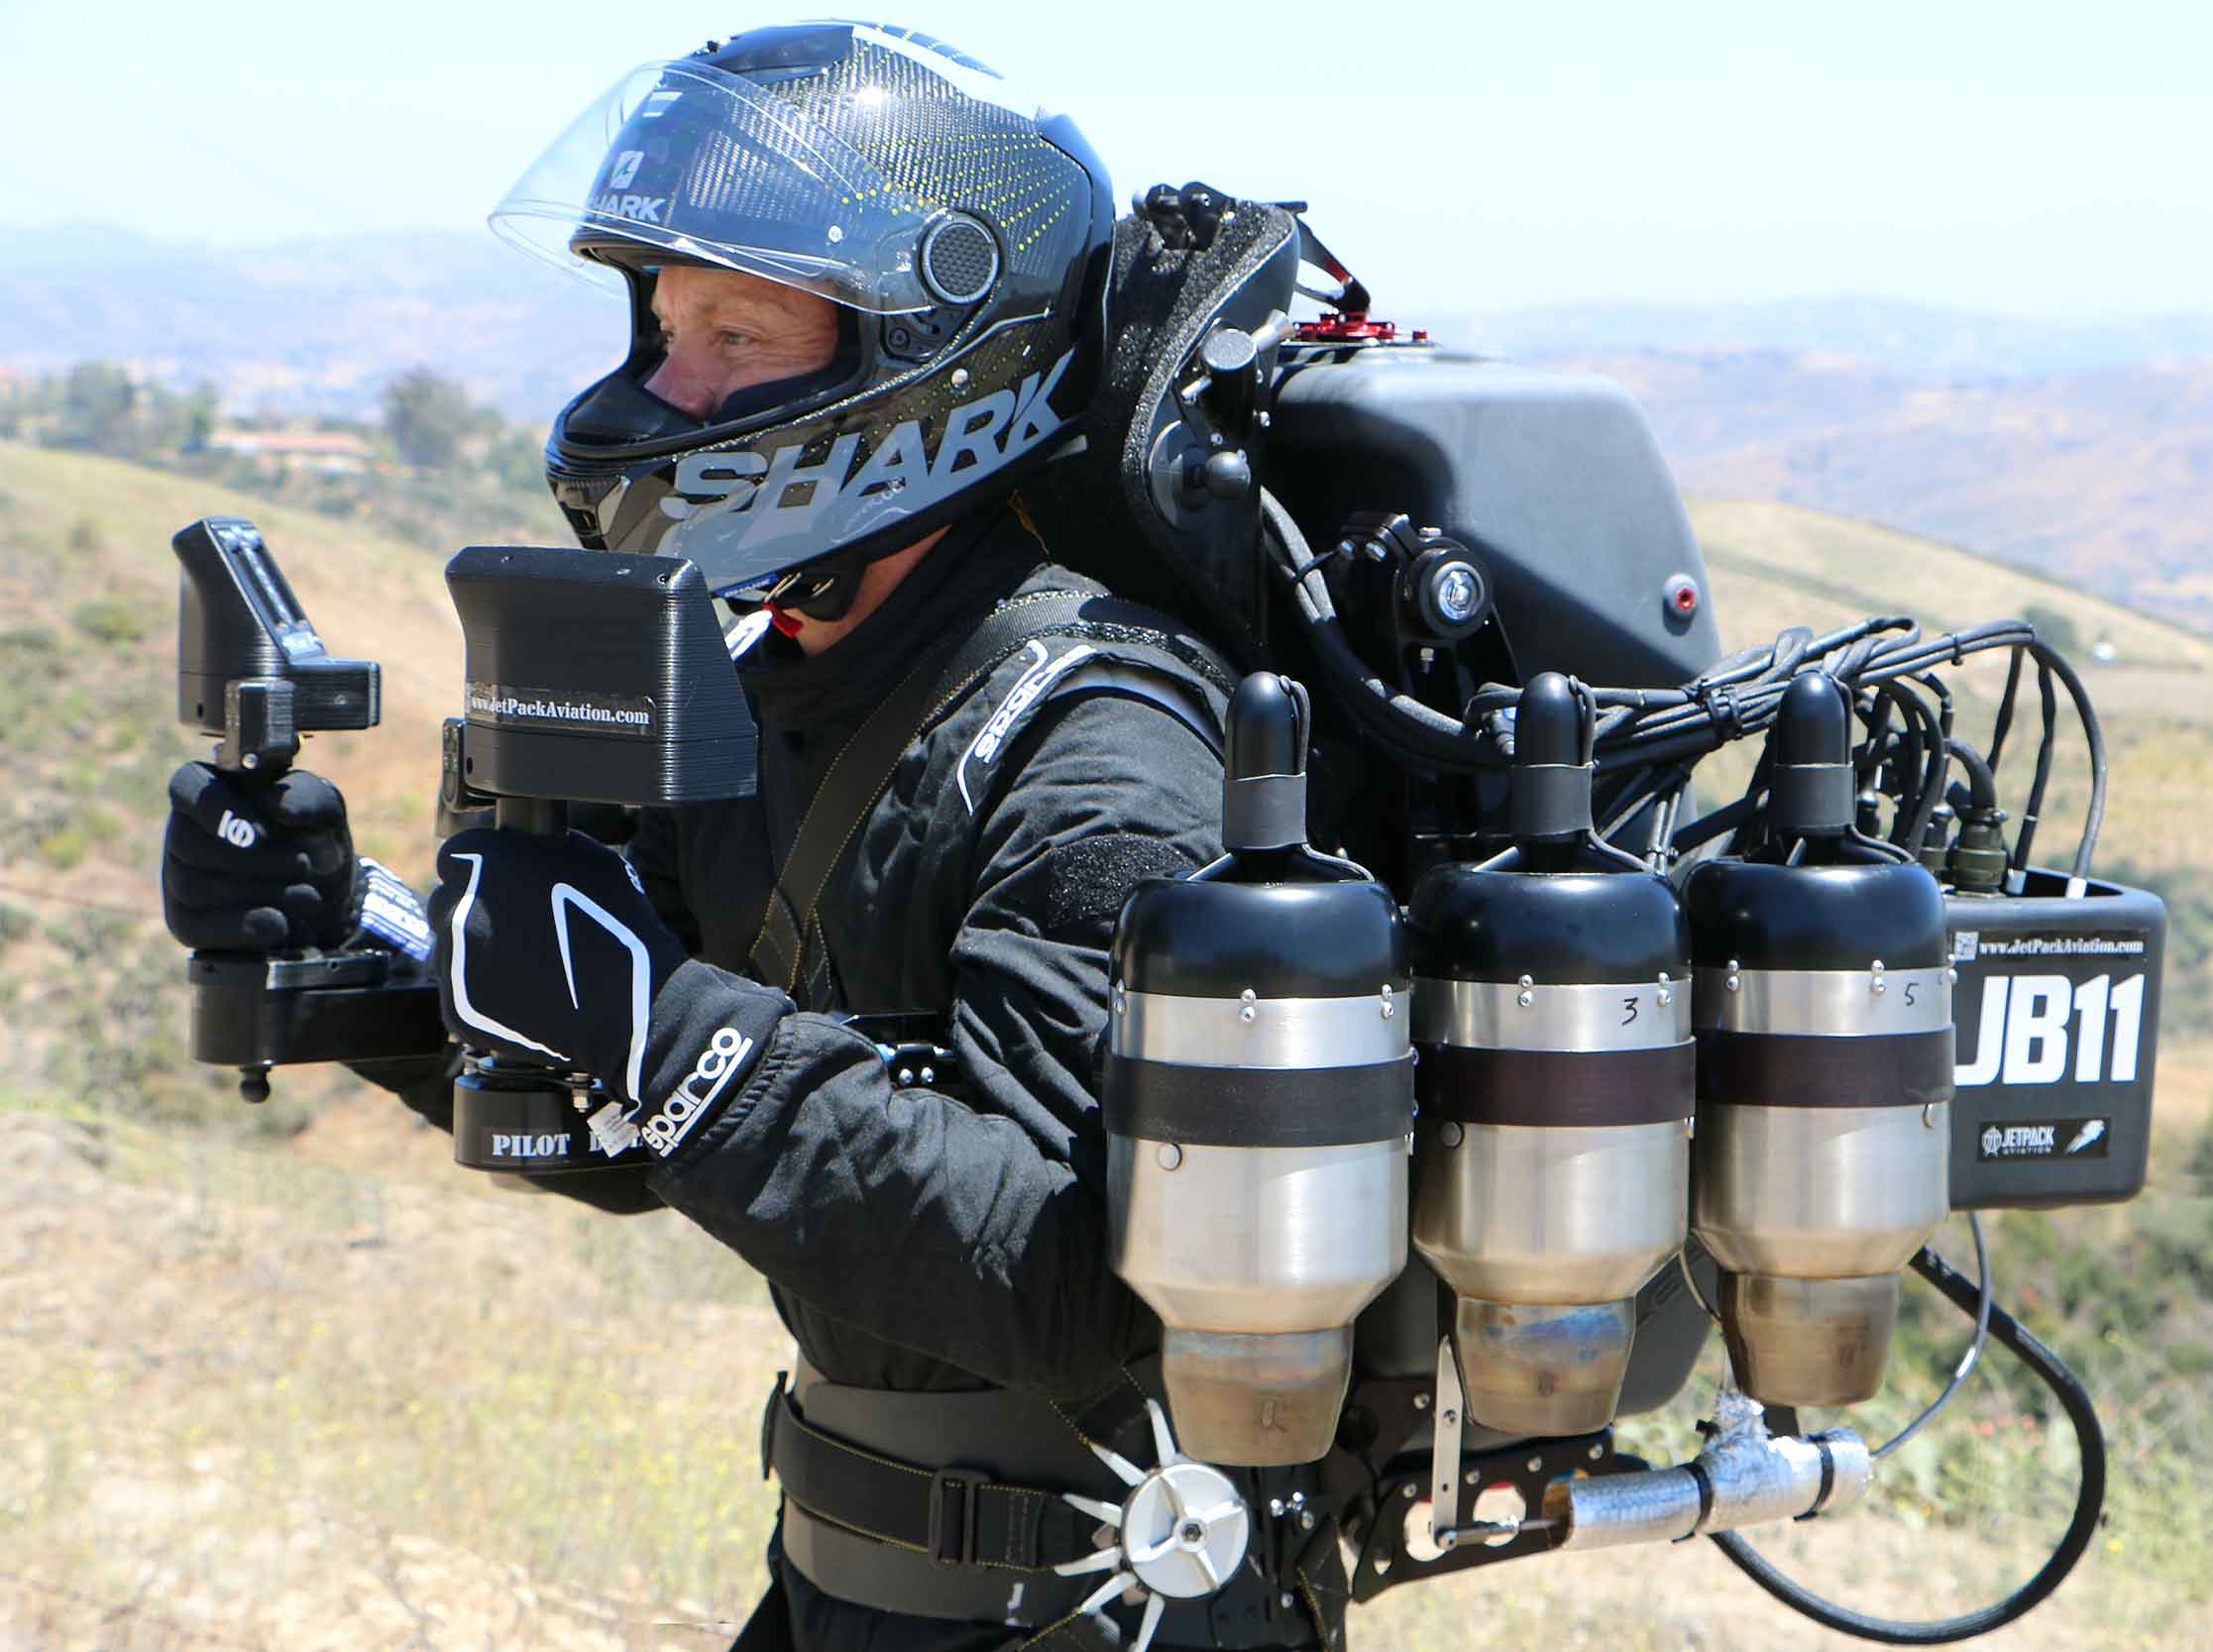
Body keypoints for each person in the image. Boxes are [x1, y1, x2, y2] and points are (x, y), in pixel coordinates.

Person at [161, 24, 1340, 1651]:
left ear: (929, 354)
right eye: (662, 327)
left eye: (736, 330)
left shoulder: (1101, 731)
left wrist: (656, 1022)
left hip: (1111, 1612)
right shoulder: (782, 677)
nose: (670, 387)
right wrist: (351, 946)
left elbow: (1070, 1274)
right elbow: (627, 1123)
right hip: (843, 1589)